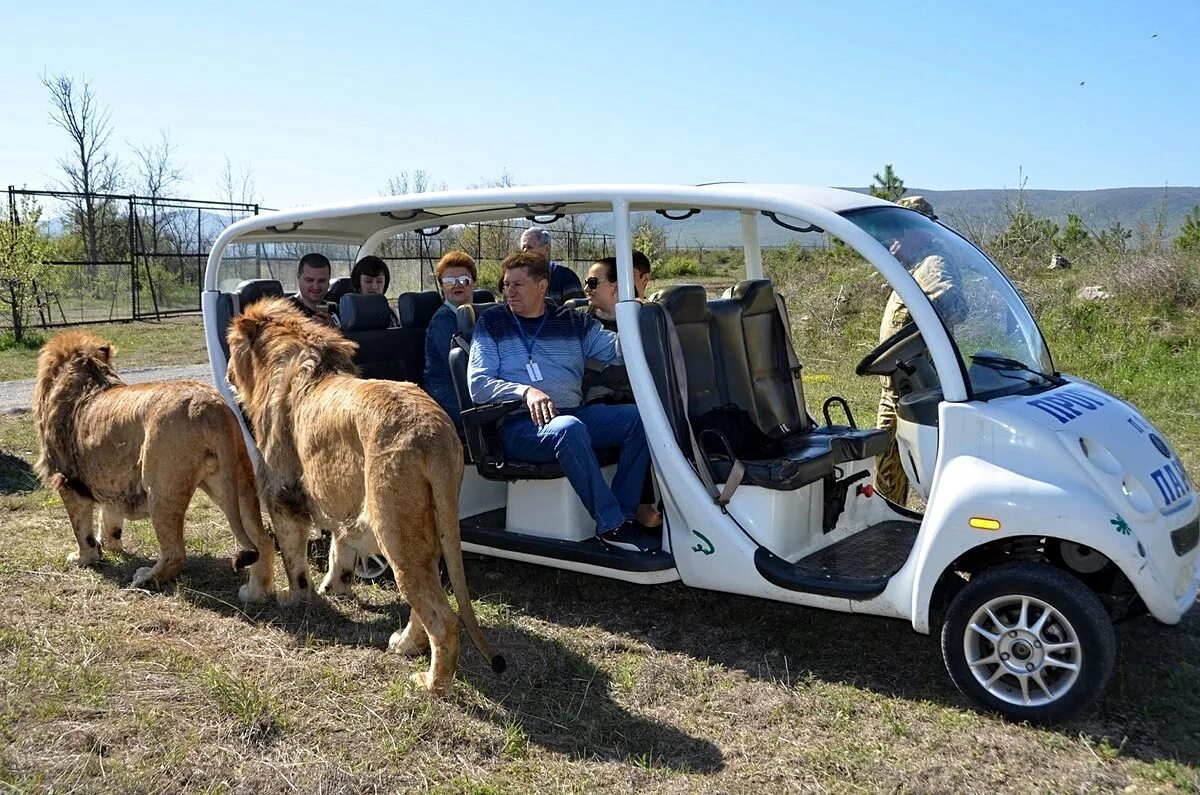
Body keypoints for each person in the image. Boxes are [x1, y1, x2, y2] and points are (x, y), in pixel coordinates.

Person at [467, 251, 656, 551]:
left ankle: (624, 515)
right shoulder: (493, 323)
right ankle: (611, 526)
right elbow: (478, 385)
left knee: (641, 419)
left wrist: (631, 310)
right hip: (519, 425)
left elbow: (621, 351)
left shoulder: (572, 321)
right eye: (505, 285)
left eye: (518, 285)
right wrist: (525, 391)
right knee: (568, 428)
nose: (508, 292)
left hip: (572, 415)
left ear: (542, 287)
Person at [874, 197, 968, 505]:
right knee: (887, 464)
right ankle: (893, 521)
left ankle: (899, 531)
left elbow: (953, 307)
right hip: (900, 387)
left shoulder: (933, 263)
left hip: (914, 390)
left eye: (903, 230)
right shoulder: (916, 263)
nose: (896, 237)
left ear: (921, 229)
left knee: (906, 466)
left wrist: (918, 344)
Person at [423, 250, 479, 429]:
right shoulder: (442, 319)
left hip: (474, 382)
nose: (457, 285)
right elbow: (460, 365)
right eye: (448, 282)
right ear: (442, 287)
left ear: (473, 283)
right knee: (485, 415)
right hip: (446, 387)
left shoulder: (481, 313)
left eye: (464, 279)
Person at [581, 251, 653, 330]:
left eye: (593, 282)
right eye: (586, 282)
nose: (586, 289)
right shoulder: (578, 319)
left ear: (617, 285)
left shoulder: (647, 317)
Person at [520, 227, 584, 302]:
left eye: (529, 247)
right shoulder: (518, 277)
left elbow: (576, 310)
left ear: (547, 248)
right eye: (523, 248)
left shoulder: (565, 277)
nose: (525, 252)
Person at [289, 252, 340, 327]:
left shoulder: (336, 309)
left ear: (328, 281)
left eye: (322, 281)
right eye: (309, 280)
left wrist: (335, 330)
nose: (316, 287)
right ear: (299, 278)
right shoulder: (284, 309)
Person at [350, 255, 399, 326]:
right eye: (368, 281)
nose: (374, 287)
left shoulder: (391, 313)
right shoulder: (350, 315)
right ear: (358, 283)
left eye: (379, 281)